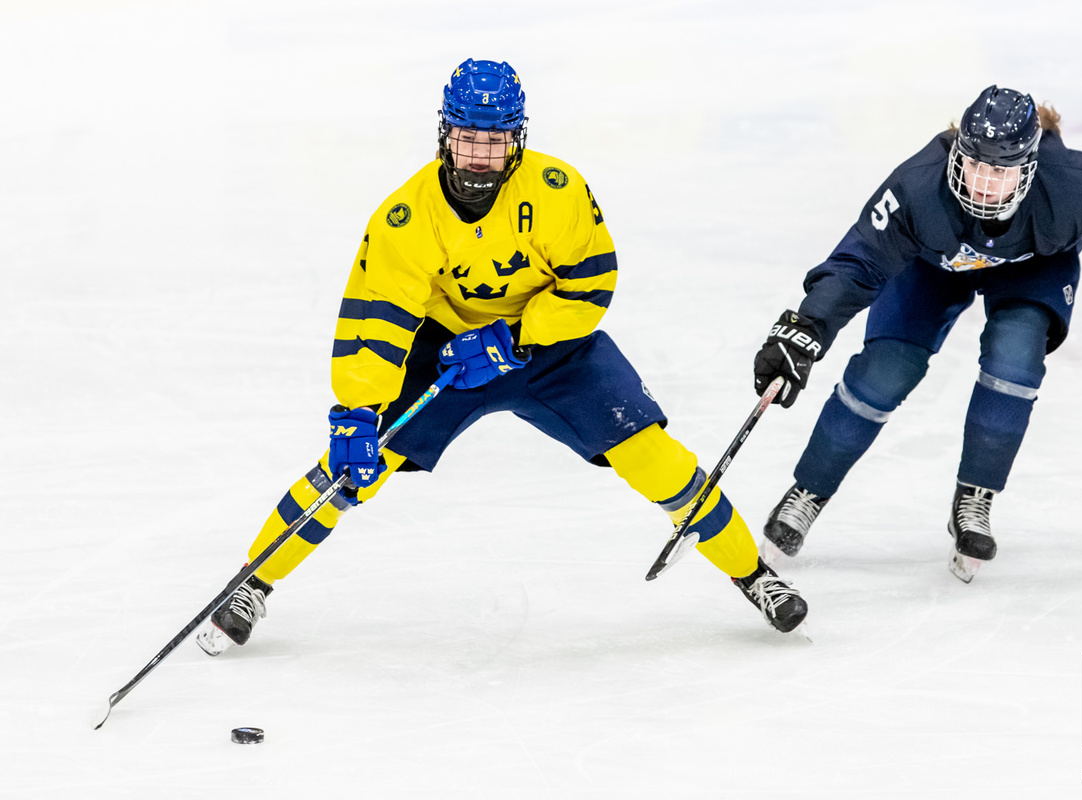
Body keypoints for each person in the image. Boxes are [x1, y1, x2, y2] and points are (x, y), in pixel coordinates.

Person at [196, 58, 808, 655]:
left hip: (550, 351)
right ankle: (251, 583)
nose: (478, 157)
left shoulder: (556, 191)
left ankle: (753, 574)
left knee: (651, 455)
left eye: (494, 142)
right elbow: (376, 317)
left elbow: (590, 283)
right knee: (352, 465)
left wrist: (516, 337)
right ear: (445, 135)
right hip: (446, 355)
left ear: (516, 141)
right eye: (466, 140)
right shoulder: (404, 217)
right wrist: (357, 409)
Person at [751, 86, 1082, 582]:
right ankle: (811, 489)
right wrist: (808, 325)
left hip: (1031, 264)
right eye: (975, 164)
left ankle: (975, 495)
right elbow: (859, 260)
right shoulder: (918, 186)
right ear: (957, 152)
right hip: (931, 266)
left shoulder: (1071, 184)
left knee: (1015, 358)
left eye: (1001, 169)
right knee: (885, 372)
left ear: (1030, 166)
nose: (984, 183)